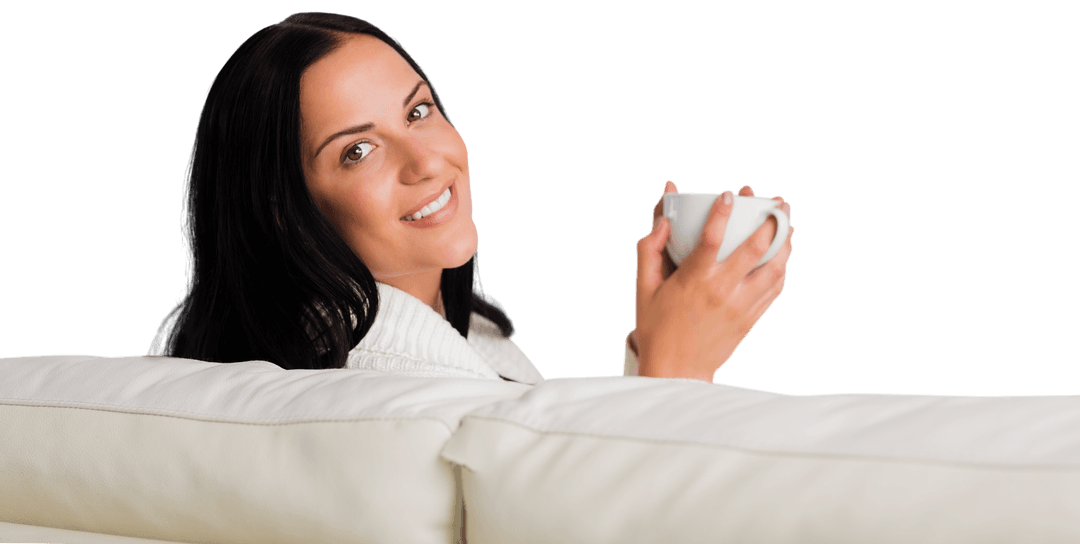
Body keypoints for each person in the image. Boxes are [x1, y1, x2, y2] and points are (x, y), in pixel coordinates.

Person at [148, 11, 793, 384]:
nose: (429, 159)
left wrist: (654, 350)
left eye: (419, 111)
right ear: (284, 210)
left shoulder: (467, 337)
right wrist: (675, 368)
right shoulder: (379, 383)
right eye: (357, 150)